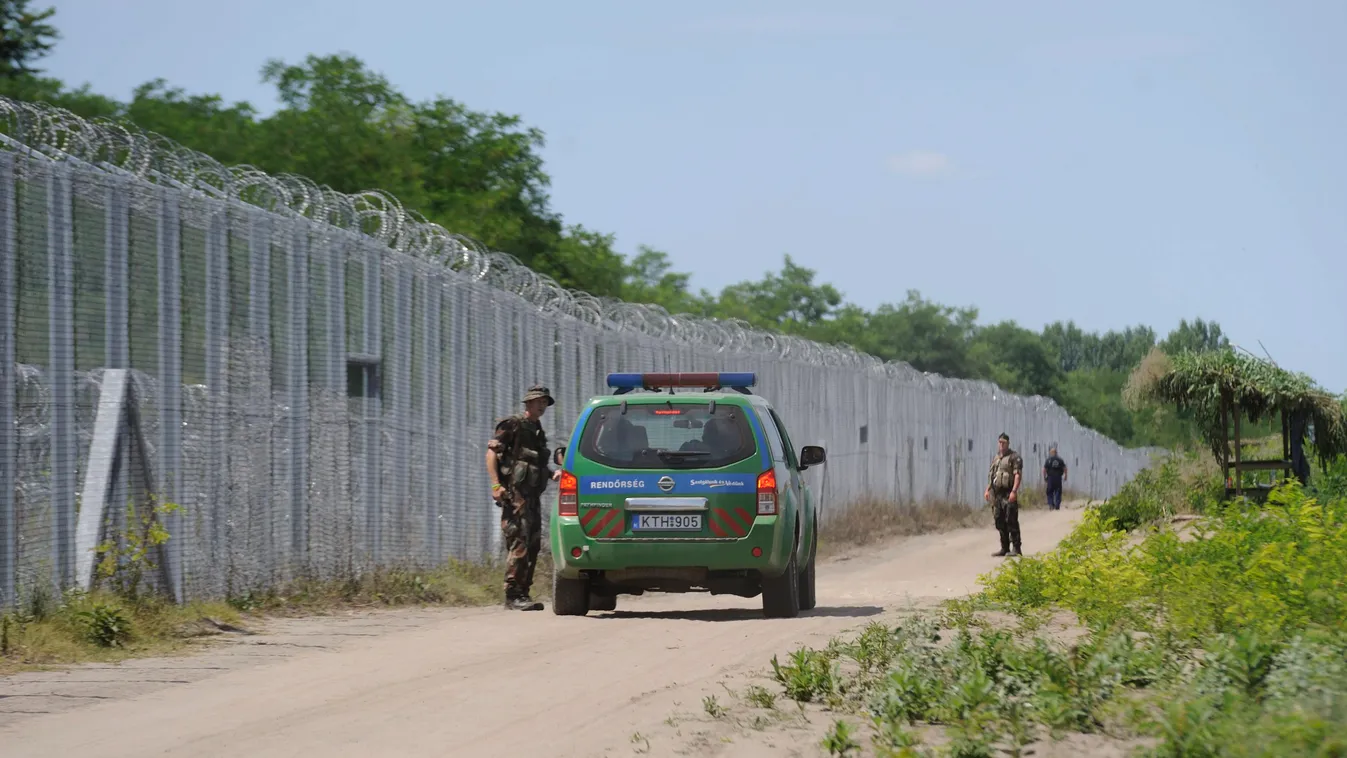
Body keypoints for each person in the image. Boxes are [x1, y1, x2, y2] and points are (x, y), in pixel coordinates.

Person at [486, 384, 563, 611]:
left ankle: (523, 593)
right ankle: (513, 595)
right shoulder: (513, 424)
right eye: (539, 401)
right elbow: (491, 453)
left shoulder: (536, 429)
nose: (543, 406)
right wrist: (496, 484)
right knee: (519, 541)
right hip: (515, 495)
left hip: (532, 497)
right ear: (528, 402)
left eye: (545, 402)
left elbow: (534, 462)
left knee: (533, 543)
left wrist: (551, 473)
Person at [984, 432, 1023, 557]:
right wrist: (988, 489)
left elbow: (1017, 475)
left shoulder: (1014, 457)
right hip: (997, 494)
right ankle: (1004, 547)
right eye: (1000, 442)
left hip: (1008, 492)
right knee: (999, 520)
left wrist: (1014, 491)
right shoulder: (996, 458)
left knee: (1011, 520)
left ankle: (1016, 548)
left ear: (1008, 443)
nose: (1001, 445)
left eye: (1004, 443)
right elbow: (992, 475)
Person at [1043, 445, 1068, 511]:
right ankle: (1057, 506)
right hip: (1058, 478)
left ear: (1051, 453)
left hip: (1050, 478)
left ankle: (1051, 504)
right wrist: (1065, 476)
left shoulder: (1048, 460)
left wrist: (1044, 477)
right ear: (1056, 452)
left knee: (1049, 491)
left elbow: (1044, 469)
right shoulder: (1060, 460)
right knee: (1058, 491)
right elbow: (1065, 468)